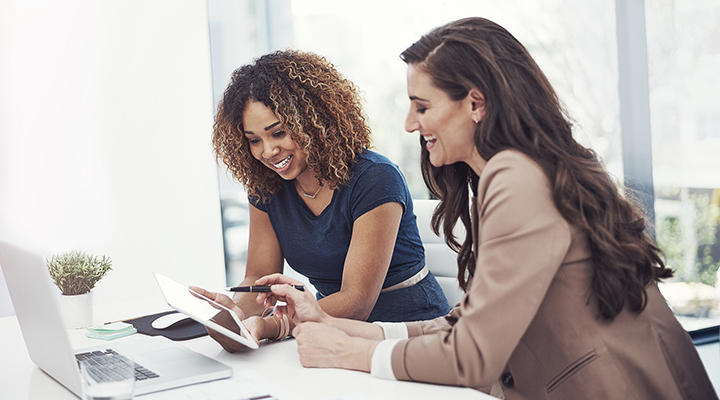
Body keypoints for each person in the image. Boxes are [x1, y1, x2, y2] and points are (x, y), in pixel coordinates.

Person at [230, 17, 716, 399]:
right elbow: (465, 322)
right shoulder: (510, 175)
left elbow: (473, 356)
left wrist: (351, 353)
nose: (408, 123)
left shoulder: (516, 178)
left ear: (475, 104)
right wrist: (337, 327)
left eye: (421, 107)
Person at [200, 50, 450, 352]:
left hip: (408, 332)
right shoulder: (267, 187)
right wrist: (236, 314)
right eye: (254, 140)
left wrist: (271, 325)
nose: (267, 151)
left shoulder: (375, 178)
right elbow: (257, 277)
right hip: (327, 329)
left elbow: (357, 301)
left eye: (278, 132)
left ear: (313, 121)